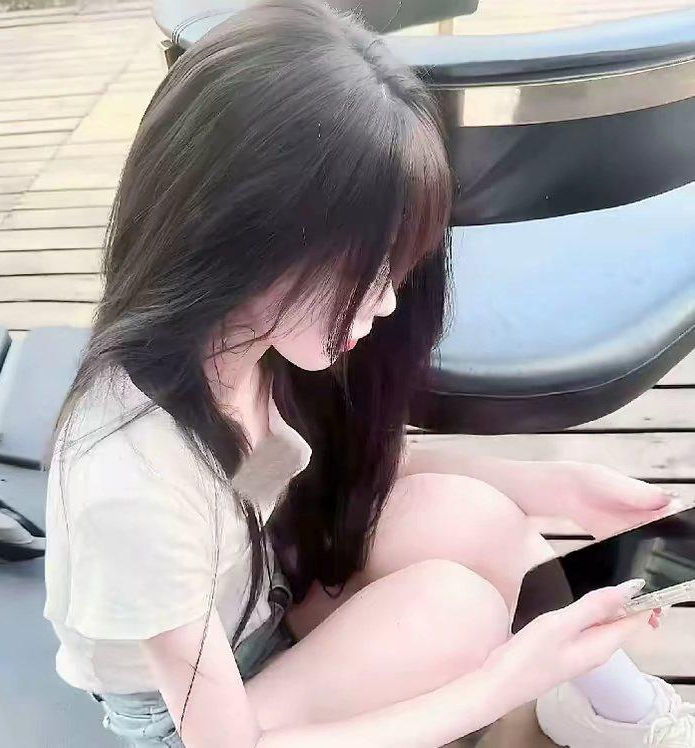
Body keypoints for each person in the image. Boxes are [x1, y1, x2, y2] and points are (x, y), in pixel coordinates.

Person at [42, 1, 695, 746]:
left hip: (255, 600)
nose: (385, 302)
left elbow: (282, 478)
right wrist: (506, 679)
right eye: (366, 270)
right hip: (189, 718)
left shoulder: (242, 350)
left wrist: (557, 487)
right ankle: (550, 685)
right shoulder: (129, 479)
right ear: (243, 235)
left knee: (475, 516)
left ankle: (617, 709)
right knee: (458, 613)